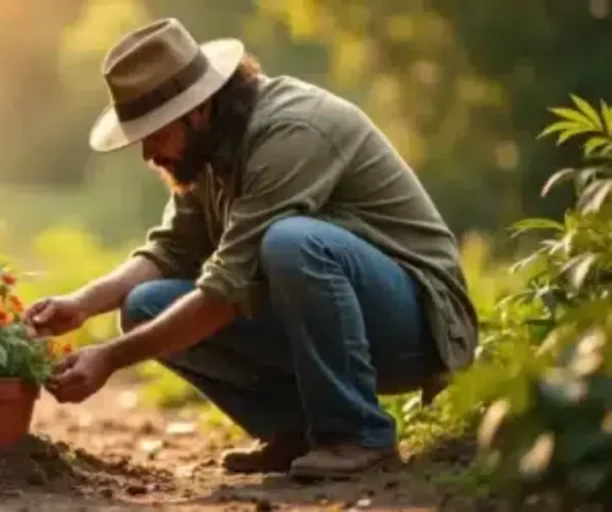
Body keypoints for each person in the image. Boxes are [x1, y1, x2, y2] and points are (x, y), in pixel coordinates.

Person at [24, 18, 478, 479]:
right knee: (144, 306)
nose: (148, 155)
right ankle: (295, 430)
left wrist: (110, 358)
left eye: (155, 134)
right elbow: (169, 253)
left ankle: (356, 432)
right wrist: (81, 305)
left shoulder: (290, 132)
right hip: (334, 318)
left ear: (197, 110)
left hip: (417, 326)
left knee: (291, 242)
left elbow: (224, 294)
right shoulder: (206, 152)